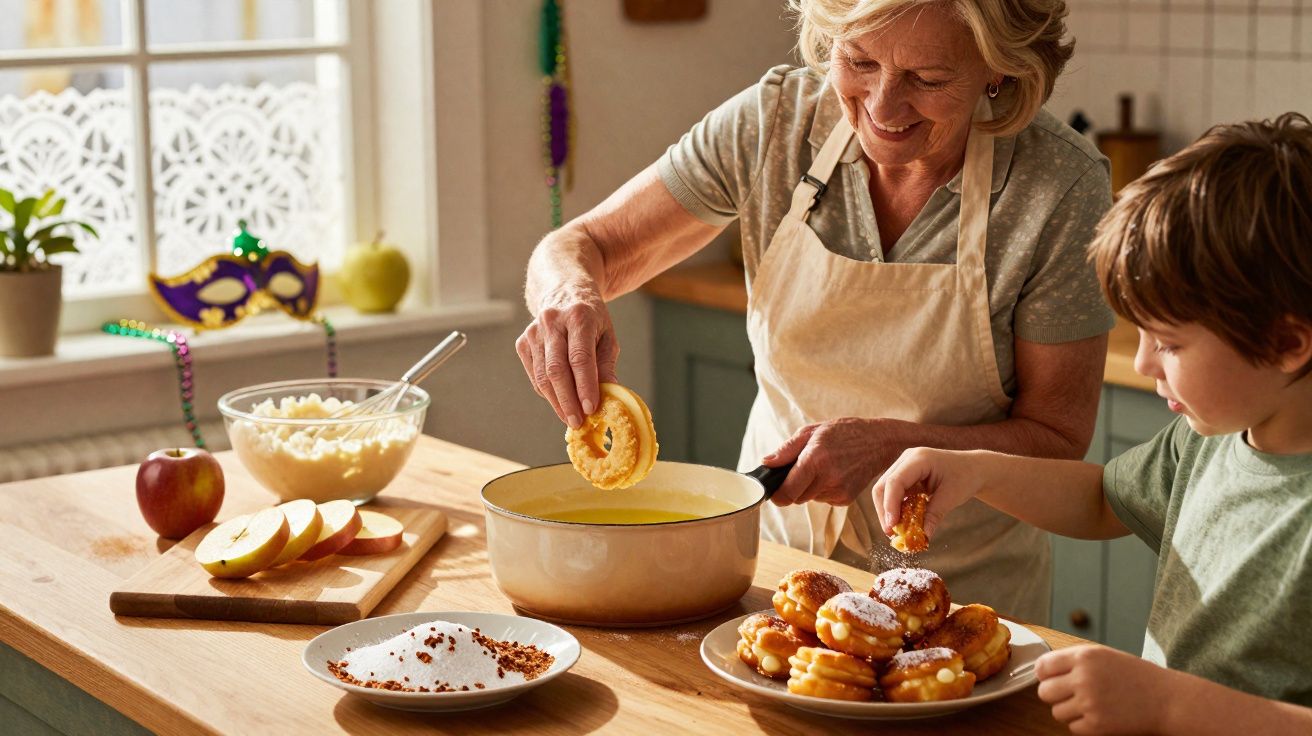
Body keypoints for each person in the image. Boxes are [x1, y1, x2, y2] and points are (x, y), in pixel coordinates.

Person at [517, 0, 1116, 623]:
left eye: (928, 79)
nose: (883, 107)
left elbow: (1055, 440)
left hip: (960, 603)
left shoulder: (1057, 187)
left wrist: (892, 446)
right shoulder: (776, 121)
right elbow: (586, 246)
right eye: (859, 61)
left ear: (998, 69)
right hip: (773, 571)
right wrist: (569, 296)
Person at [873, 113, 1312, 732]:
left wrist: (1169, 705)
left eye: (1170, 343)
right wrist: (977, 472)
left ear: (1288, 343)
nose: (1143, 363)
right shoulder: (1209, 438)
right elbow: (1104, 501)